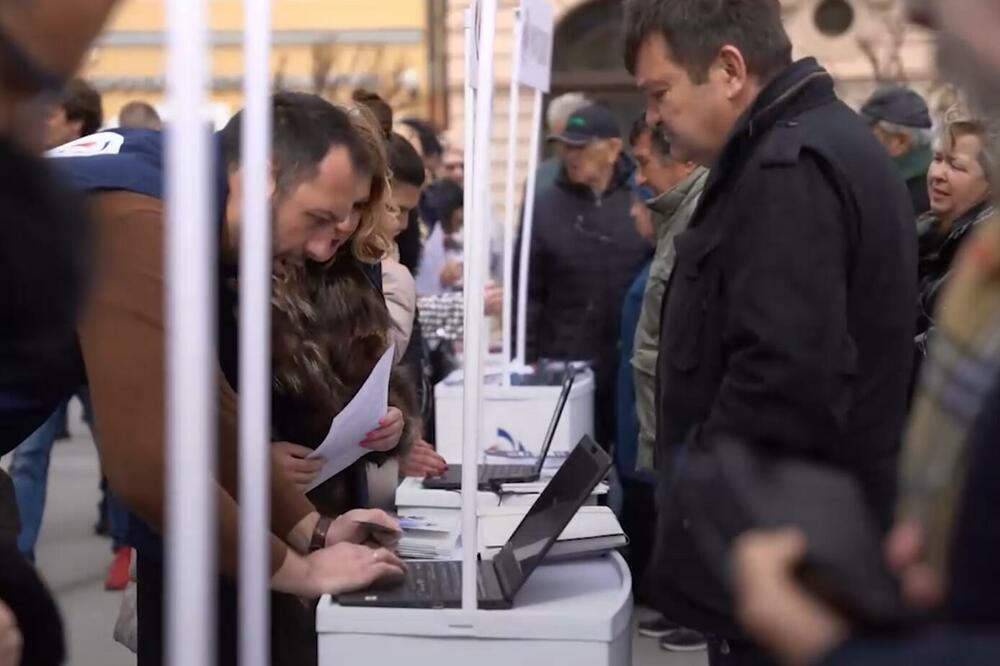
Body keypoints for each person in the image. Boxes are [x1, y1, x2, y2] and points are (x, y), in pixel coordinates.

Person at [47, 92, 406, 665]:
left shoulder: (178, 194)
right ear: (264, 174)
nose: (320, 248)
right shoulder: (144, 217)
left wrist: (312, 528)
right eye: (316, 219)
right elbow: (146, 462)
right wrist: (299, 570)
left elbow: (205, 399)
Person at [623, 1, 917, 663]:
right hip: (795, 552)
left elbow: (782, 374)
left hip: (784, 563)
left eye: (660, 92)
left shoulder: (790, 166)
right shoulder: (809, 144)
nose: (654, 118)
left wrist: (706, 510)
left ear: (729, 69)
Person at [732, 0, 1000, 663]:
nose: (915, 13)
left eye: (957, 165)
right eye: (938, 159)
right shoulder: (967, 265)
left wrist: (829, 645)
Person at [516, 103, 652, 449]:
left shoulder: (640, 197)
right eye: (565, 146)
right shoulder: (544, 205)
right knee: (572, 460)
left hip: (631, 362)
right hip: (566, 361)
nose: (570, 155)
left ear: (612, 148)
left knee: (631, 461)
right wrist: (527, 357)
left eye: (581, 146)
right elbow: (527, 289)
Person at [624, 118, 709, 652]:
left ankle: (699, 615)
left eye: (644, 162)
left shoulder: (697, 216)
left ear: (683, 161)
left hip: (686, 419)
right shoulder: (679, 214)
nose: (639, 176)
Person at [916, 109, 996, 355]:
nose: (937, 174)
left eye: (956, 166)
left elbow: (937, 352)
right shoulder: (925, 234)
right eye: (938, 159)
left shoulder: (987, 259)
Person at [861, 85, 935, 216]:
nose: (859, 141)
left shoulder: (901, 202)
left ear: (900, 141)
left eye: (868, 134)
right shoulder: (934, 190)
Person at [536, 91, 591, 193]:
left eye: (572, 141)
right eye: (558, 141)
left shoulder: (621, 182)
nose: (567, 152)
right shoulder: (539, 182)